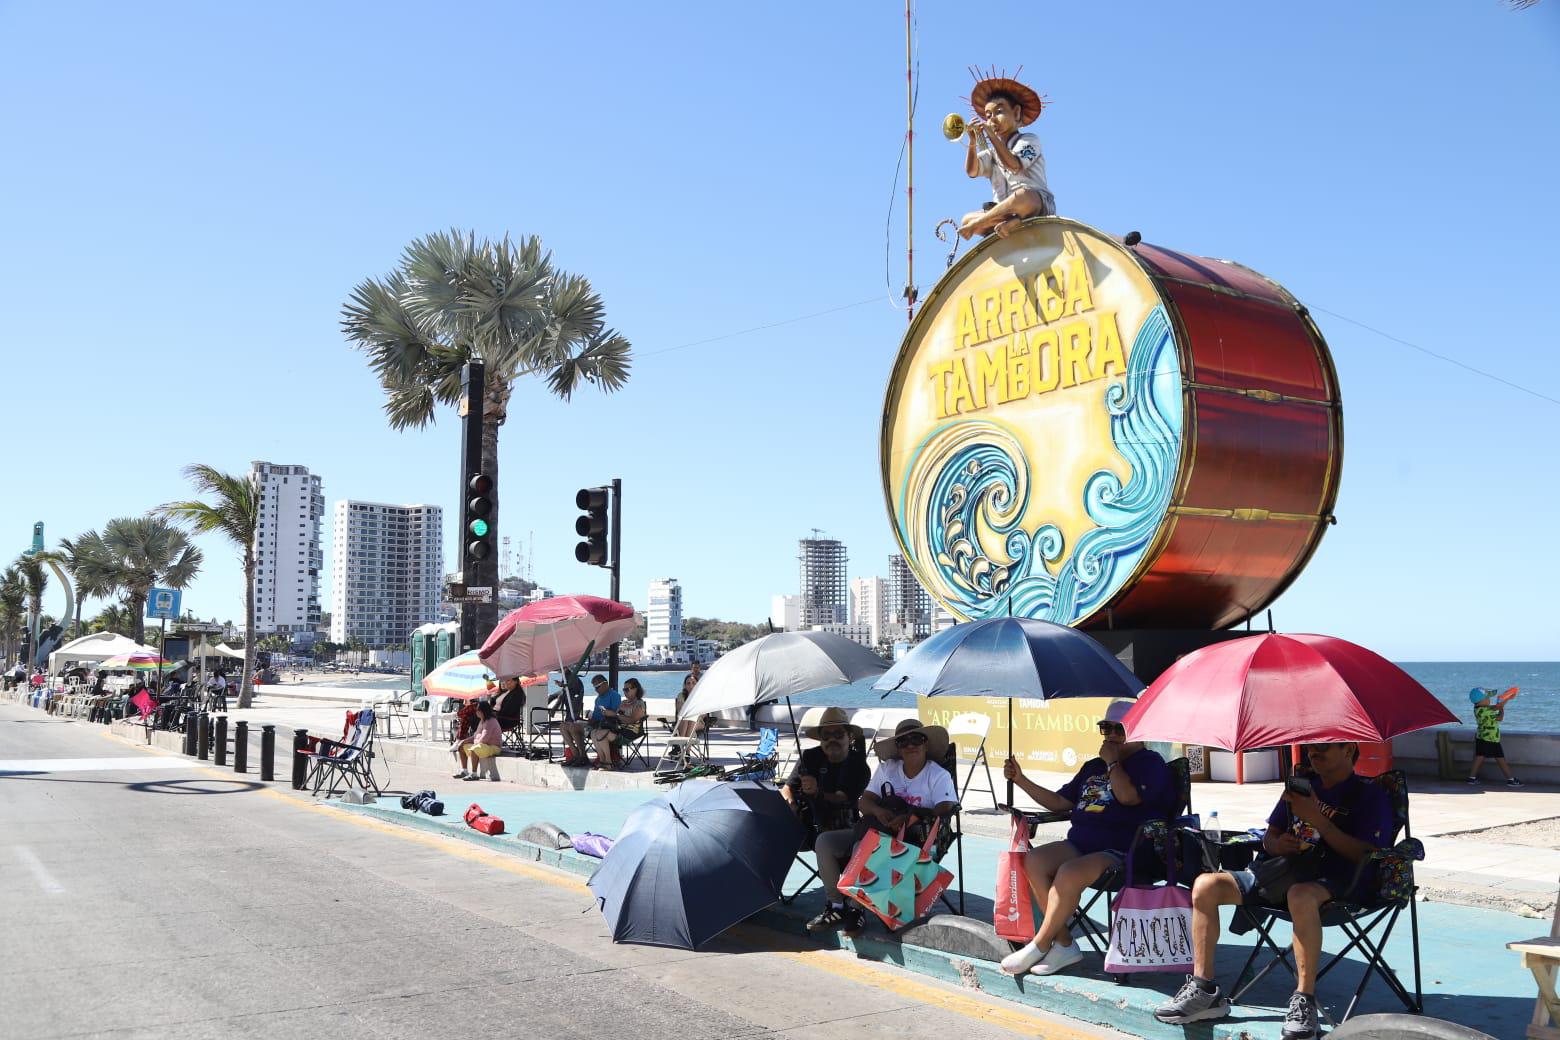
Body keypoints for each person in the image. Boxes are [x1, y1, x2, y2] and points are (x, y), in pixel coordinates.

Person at [1154, 741, 1396, 1039]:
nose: (1313, 752)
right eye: (1310, 747)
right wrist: (1278, 844)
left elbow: (1366, 853)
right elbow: (1270, 836)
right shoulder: (1300, 788)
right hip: (1281, 871)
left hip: (1339, 881)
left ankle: (1303, 999)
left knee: (1300, 895)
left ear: (1348, 750)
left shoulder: (1370, 795)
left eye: (1323, 747)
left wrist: (1318, 819)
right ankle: (1205, 990)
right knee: (1206, 885)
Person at [999, 700, 1174, 976]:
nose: (1113, 735)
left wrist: (1114, 763)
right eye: (1107, 728)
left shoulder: (1150, 764)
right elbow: (1060, 802)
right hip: (1081, 843)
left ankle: (1040, 943)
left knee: (1068, 872)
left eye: (1120, 729)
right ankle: (1065, 942)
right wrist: (1021, 780)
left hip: (1125, 849)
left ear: (1137, 731)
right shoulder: (1092, 766)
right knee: (1035, 860)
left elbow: (1129, 798)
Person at [807, 718, 959, 937]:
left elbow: (946, 808)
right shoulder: (888, 768)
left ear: (925, 743)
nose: (910, 745)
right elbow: (864, 801)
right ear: (898, 747)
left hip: (914, 840)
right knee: (825, 841)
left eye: (916, 739)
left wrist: (910, 817)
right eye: (904, 741)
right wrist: (880, 812)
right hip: (879, 830)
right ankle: (836, 906)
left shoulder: (937, 775)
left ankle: (857, 909)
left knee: (864, 845)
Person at [956, 71, 1055, 241]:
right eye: (988, 116)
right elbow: (972, 171)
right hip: (1004, 211)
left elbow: (1014, 165)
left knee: (1023, 196)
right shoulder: (992, 153)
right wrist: (972, 142)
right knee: (966, 219)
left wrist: (992, 136)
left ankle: (983, 223)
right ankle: (1011, 221)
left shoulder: (1030, 140)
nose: (992, 119)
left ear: (1016, 113)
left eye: (999, 112)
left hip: (1034, 203)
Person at [782, 706, 871, 849]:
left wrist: (817, 793)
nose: (832, 740)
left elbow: (842, 799)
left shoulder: (859, 767)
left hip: (840, 827)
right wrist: (792, 807)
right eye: (826, 736)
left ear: (850, 737)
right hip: (804, 825)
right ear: (820, 739)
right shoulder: (810, 756)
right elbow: (787, 789)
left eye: (838, 734)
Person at [1467, 687, 1521, 786]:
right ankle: (1510, 779)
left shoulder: (1478, 709)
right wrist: (1504, 701)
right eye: (1487, 698)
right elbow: (1500, 717)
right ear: (1481, 701)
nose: (1489, 700)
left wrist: (1506, 699)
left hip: (1481, 736)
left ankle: (1471, 778)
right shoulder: (1485, 711)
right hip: (1491, 738)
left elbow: (1496, 707)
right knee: (1500, 758)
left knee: (1479, 756)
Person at [562, 674, 619, 766]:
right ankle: (576, 755)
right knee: (563, 726)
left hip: (603, 726)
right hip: (594, 724)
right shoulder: (598, 699)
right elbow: (595, 716)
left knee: (573, 727)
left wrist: (602, 715)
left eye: (597, 686)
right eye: (594, 687)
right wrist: (587, 719)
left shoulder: (614, 696)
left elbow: (615, 715)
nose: (596, 689)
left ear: (605, 684)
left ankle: (582, 757)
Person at [593, 677, 647, 769]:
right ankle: (602, 761)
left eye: (627, 689)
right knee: (593, 733)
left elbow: (632, 720)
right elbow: (616, 716)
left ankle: (609, 763)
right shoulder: (624, 702)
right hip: (619, 729)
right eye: (623, 689)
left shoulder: (639, 704)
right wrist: (608, 713)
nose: (625, 692)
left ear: (635, 689)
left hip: (630, 732)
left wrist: (615, 714)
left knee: (601, 733)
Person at [453, 700, 503, 781]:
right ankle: (464, 771)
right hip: (484, 745)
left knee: (474, 749)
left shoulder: (490, 721)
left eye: (478, 710)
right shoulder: (482, 720)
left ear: (483, 711)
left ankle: (474, 774)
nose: (476, 712)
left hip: (494, 747)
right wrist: (464, 741)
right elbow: (476, 736)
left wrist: (475, 741)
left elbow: (484, 739)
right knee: (461, 747)